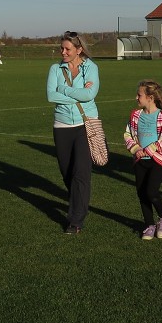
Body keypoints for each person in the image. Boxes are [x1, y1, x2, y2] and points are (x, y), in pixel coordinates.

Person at [46, 31, 101, 234]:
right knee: (67, 172)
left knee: (81, 173)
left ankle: (76, 220)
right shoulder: (55, 69)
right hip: (61, 125)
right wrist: (79, 95)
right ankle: (79, 200)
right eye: (62, 48)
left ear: (79, 49)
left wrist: (65, 90)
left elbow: (90, 94)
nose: (63, 52)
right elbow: (51, 96)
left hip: (85, 124)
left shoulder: (91, 67)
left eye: (67, 49)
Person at [124, 80, 162, 240]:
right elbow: (127, 135)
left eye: (139, 95)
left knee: (151, 192)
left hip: (156, 161)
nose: (136, 97)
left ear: (150, 97)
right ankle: (149, 224)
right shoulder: (135, 115)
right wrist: (136, 149)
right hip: (139, 161)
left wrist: (153, 148)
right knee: (142, 193)